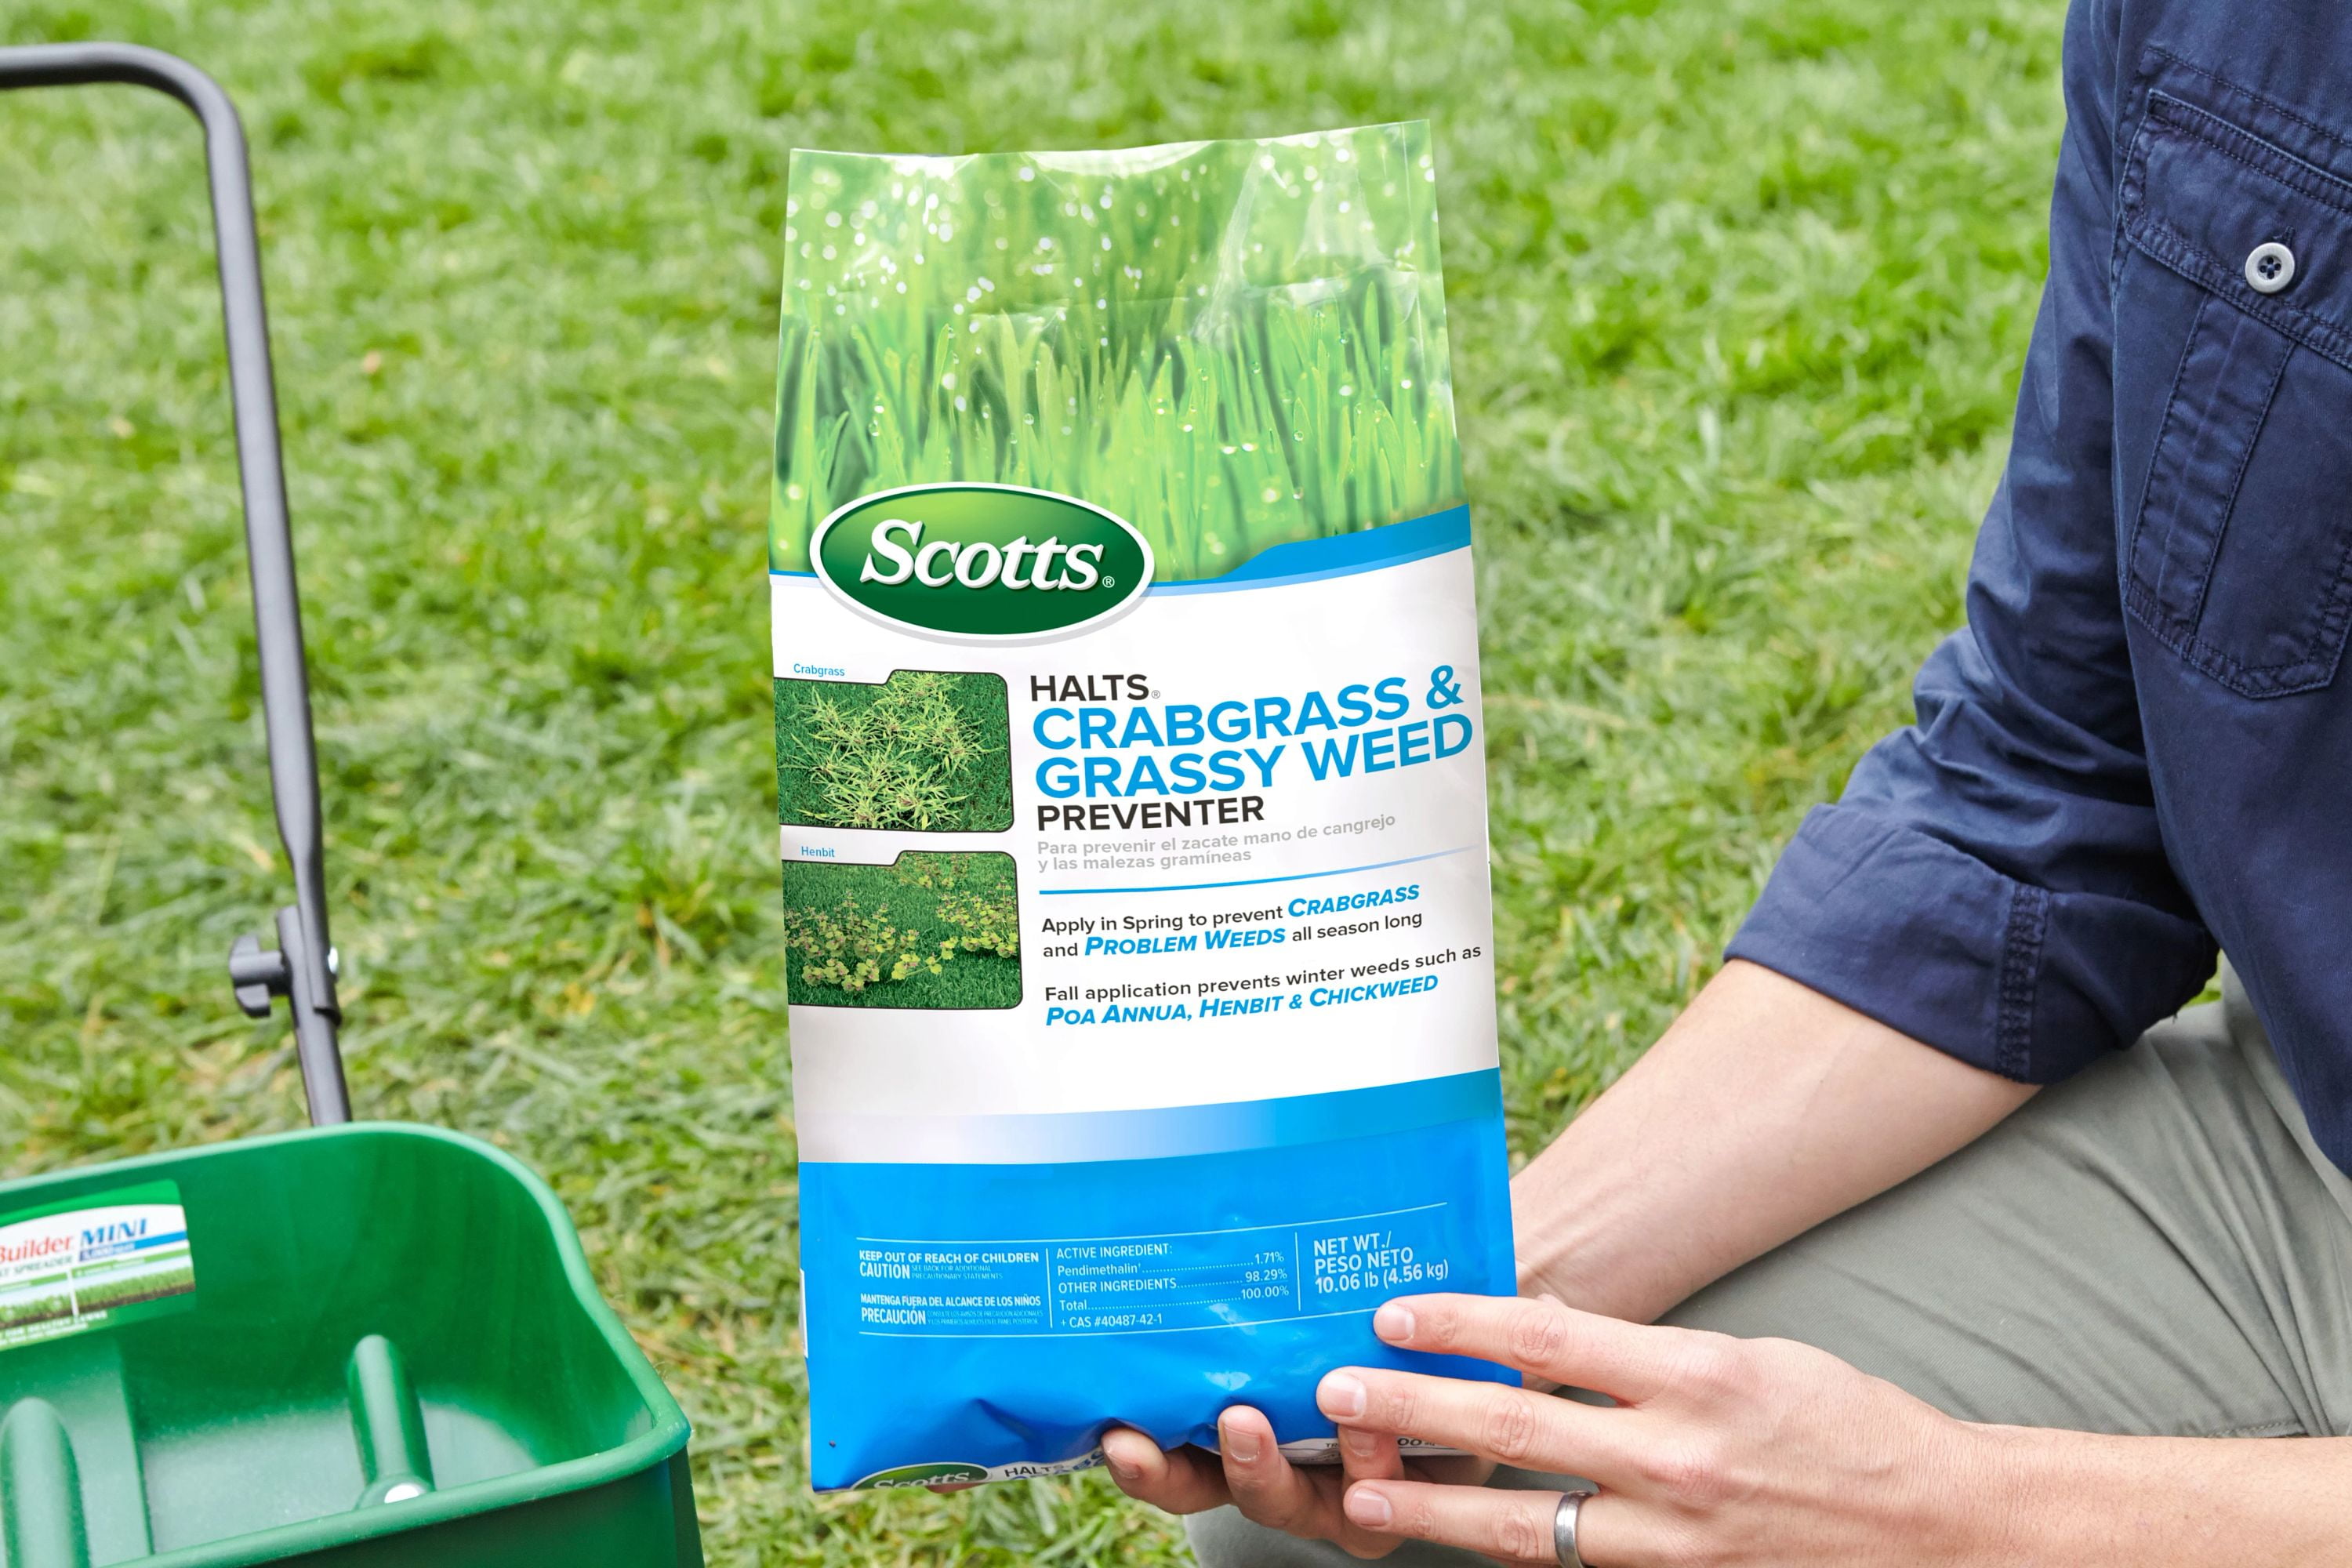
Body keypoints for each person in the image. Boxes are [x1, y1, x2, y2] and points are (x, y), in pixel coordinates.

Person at [1103, 0, 2352, 1559]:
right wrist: (1487, 1301)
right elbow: (2054, 790)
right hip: (2314, 1153)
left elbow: (1938, 1513)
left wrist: (1958, 1508)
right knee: (1380, 1484)